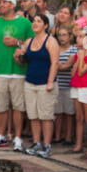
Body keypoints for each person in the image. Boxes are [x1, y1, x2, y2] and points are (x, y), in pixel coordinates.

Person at [0, 0, 31, 150]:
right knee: (0, 106)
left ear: (13, 5)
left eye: (5, 2)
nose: (1, 5)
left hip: (19, 71)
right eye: (0, 2)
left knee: (19, 106)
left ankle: (18, 138)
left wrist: (17, 42)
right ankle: (1, 135)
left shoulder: (25, 23)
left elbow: (32, 44)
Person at [18, 13, 60, 157]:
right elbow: (23, 61)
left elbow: (55, 62)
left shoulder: (51, 41)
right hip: (30, 82)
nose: (35, 23)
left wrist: (50, 82)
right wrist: (17, 56)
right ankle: (37, 143)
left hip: (45, 84)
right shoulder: (28, 41)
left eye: (39, 21)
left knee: (46, 116)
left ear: (46, 25)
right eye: (34, 21)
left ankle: (47, 145)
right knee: (33, 115)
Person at [67, 24, 87, 158]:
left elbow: (81, 71)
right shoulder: (78, 54)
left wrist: (80, 57)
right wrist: (78, 58)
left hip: (86, 86)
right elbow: (73, 72)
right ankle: (78, 145)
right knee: (78, 117)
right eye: (78, 37)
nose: (78, 40)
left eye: (81, 37)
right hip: (76, 85)